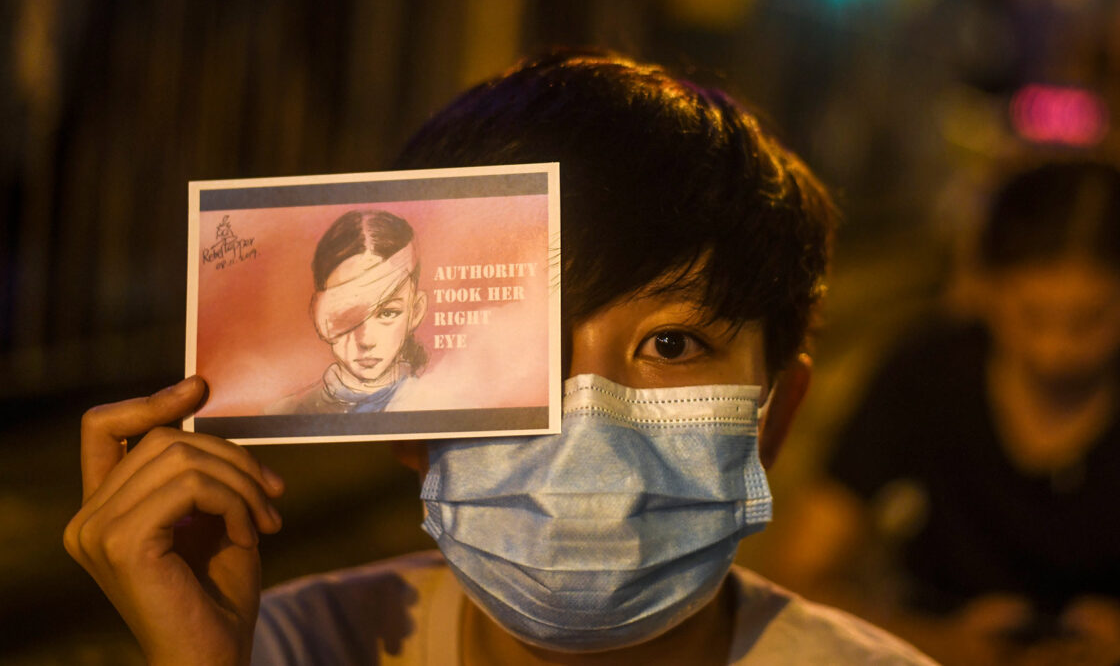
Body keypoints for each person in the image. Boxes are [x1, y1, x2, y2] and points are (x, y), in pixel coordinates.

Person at [63, 51, 934, 665]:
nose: (585, 420)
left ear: (773, 411)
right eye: (515, 345)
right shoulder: (285, 649)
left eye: (671, 343)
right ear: (406, 421)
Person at [787, 159, 1120, 665]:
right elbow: (800, 571)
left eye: (1092, 321)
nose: (1057, 352)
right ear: (987, 288)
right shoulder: (930, 373)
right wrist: (940, 643)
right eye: (1033, 317)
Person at [268, 209, 428, 415]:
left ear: (416, 311)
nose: (366, 341)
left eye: (388, 313)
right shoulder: (286, 413)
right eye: (347, 314)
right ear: (318, 315)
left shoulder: (443, 407)